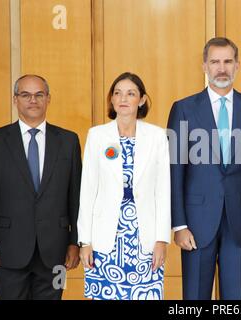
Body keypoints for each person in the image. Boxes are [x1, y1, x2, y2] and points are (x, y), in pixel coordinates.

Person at [167, 37, 241, 300]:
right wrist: (179, 225)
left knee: (235, 298)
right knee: (195, 298)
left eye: (227, 61)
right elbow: (175, 170)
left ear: (237, 66)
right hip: (195, 223)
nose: (221, 68)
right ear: (204, 66)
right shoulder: (183, 109)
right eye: (215, 62)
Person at [0, 74, 81, 299]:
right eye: (25, 95)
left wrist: (75, 242)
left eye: (39, 95)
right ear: (15, 99)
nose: (33, 100)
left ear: (49, 98)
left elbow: (76, 197)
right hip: (7, 251)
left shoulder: (68, 141)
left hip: (56, 252)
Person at [77, 72, 171, 300]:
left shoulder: (157, 136)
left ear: (141, 100)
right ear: (111, 99)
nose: (123, 99)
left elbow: (163, 191)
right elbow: (87, 190)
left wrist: (161, 239)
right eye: (117, 93)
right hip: (104, 238)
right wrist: (85, 241)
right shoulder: (97, 135)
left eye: (131, 94)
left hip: (144, 238)